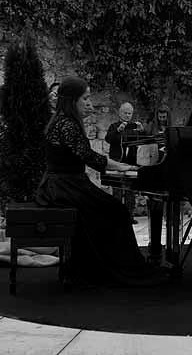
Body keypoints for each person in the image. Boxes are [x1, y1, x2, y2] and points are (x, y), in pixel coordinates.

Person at [36, 77, 164, 286]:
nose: (89, 103)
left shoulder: (60, 121)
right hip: (65, 188)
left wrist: (120, 165)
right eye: (85, 98)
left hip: (60, 186)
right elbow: (91, 158)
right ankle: (118, 268)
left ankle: (105, 264)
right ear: (72, 100)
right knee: (117, 211)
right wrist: (124, 166)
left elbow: (87, 156)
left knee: (112, 210)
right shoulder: (67, 125)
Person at [104, 101, 142, 222]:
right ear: (120, 113)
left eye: (130, 113)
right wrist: (118, 131)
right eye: (125, 113)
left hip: (130, 162)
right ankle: (117, 216)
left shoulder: (133, 127)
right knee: (118, 191)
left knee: (131, 191)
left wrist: (141, 131)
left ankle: (129, 216)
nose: (127, 115)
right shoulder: (114, 126)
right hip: (117, 162)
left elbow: (141, 142)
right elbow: (108, 139)